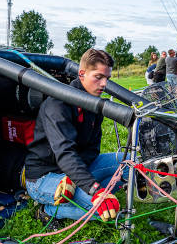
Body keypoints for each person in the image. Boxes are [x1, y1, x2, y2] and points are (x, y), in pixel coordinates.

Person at [25, 49, 124, 223]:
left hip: (73, 170)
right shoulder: (57, 104)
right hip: (44, 177)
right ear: (82, 74)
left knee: (127, 161)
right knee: (100, 210)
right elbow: (65, 153)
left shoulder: (95, 103)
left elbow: (93, 149)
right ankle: (47, 210)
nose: (104, 84)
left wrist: (77, 178)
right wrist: (95, 190)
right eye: (98, 77)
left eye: (107, 78)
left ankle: (89, 192)